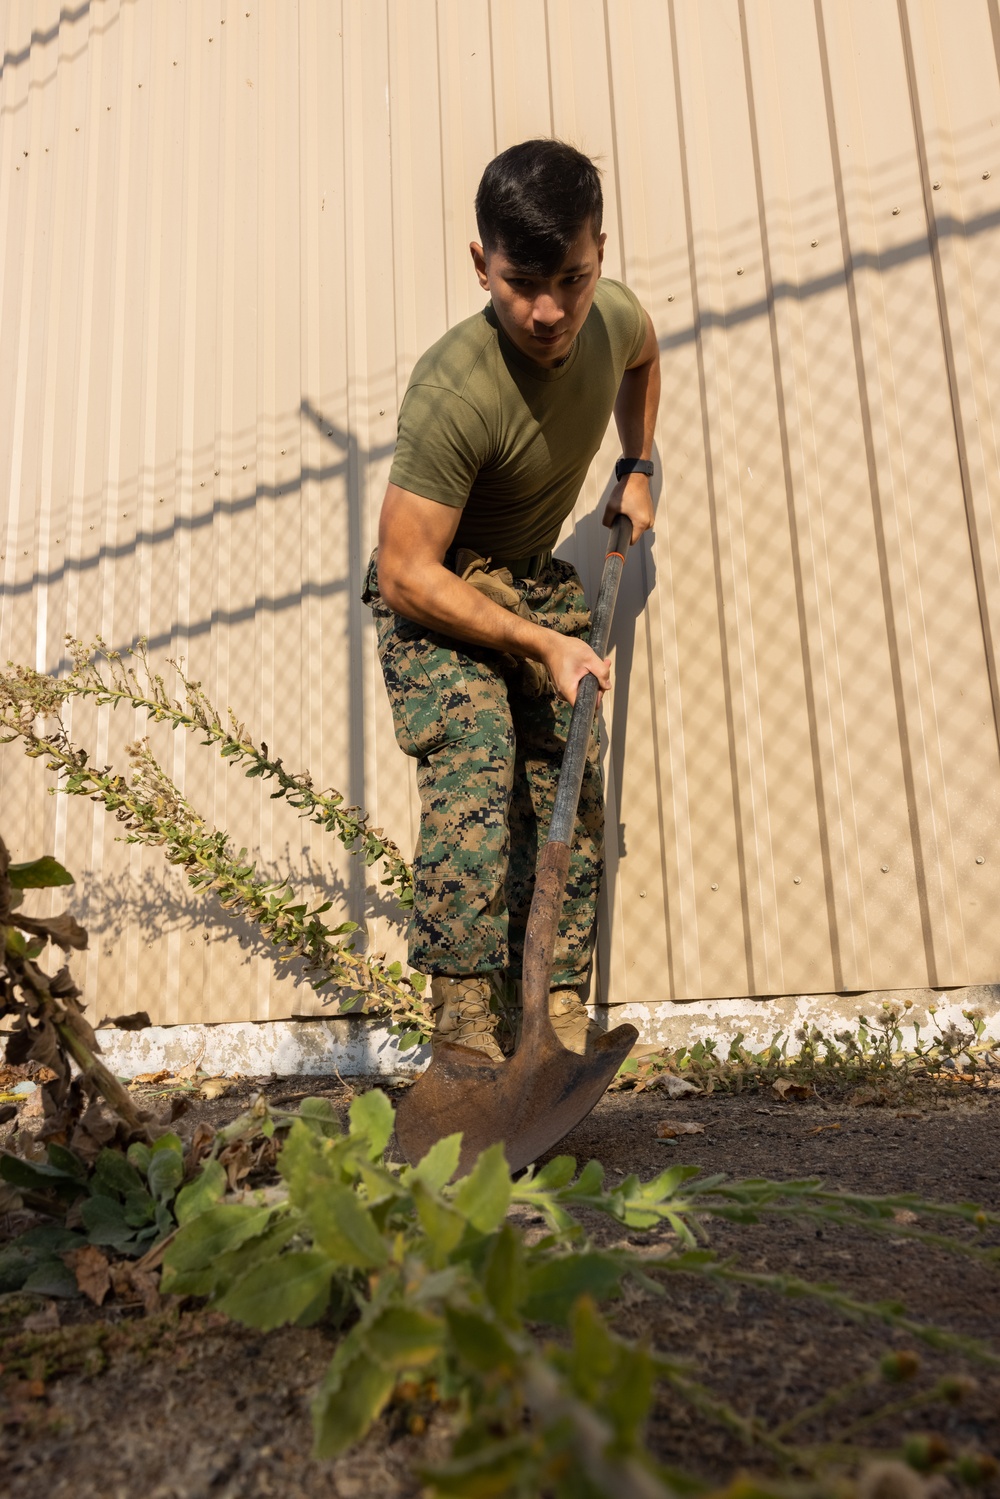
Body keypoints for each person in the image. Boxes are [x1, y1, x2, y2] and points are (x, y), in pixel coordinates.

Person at [363, 138, 660, 1061]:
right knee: (479, 755)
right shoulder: (454, 389)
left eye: (570, 279)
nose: (546, 311)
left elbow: (644, 357)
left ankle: (554, 1020)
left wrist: (638, 462)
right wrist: (539, 643)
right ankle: (462, 1033)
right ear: (480, 263)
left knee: (568, 775)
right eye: (520, 281)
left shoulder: (610, 317)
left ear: (599, 254)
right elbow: (408, 569)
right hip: (442, 588)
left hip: (532, 574)